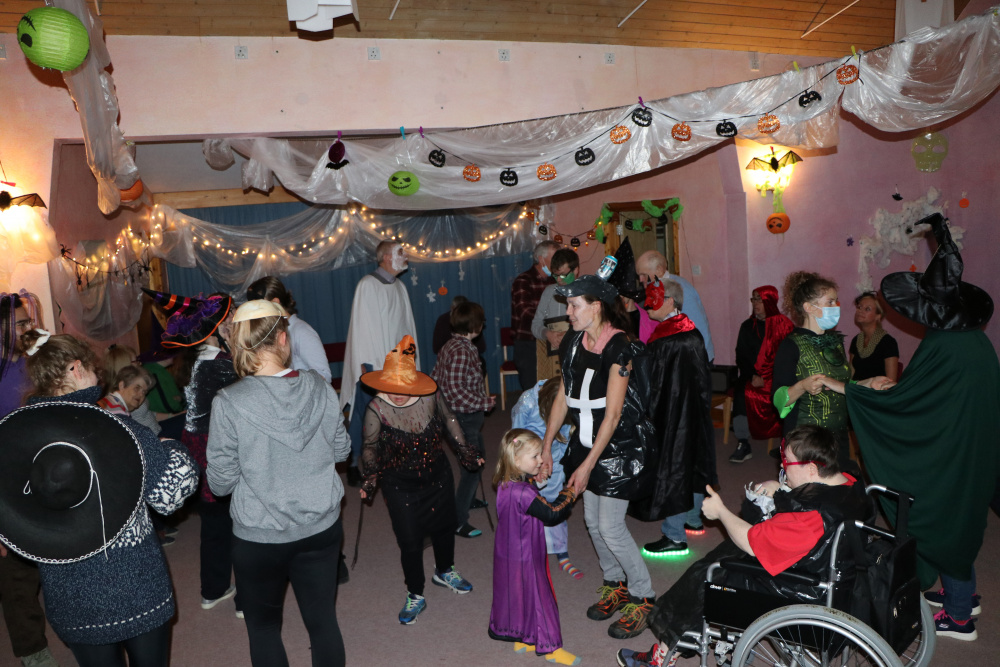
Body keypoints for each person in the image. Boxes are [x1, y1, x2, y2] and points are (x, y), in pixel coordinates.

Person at [828, 213, 999, 641]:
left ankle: (959, 616)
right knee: (959, 518)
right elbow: (934, 396)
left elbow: (912, 405)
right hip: (971, 449)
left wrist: (862, 396)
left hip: (950, 456)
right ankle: (962, 595)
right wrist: (898, 389)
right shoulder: (974, 340)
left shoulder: (946, 345)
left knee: (942, 520)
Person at [10, 329, 198, 667]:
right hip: (136, 587)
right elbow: (170, 495)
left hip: (71, 597)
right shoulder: (121, 430)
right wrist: (171, 447)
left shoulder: (16, 442)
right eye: (94, 367)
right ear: (76, 368)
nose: (100, 375)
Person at [617, 424, 873, 667]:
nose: (781, 466)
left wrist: (721, 512)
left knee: (707, 573)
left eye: (787, 463)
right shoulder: (850, 481)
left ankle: (663, 655)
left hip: (800, 591)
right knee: (728, 551)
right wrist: (781, 487)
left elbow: (753, 543)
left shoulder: (810, 517)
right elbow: (811, 500)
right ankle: (733, 645)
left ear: (812, 469)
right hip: (833, 578)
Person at [206, 300, 350, 666]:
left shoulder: (228, 402)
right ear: (283, 339)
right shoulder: (321, 388)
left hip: (259, 537)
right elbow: (342, 451)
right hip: (320, 528)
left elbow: (220, 484)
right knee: (323, 622)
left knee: (264, 629)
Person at [542, 271, 657, 640]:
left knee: (610, 526)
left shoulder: (620, 347)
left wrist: (588, 465)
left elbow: (614, 414)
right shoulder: (573, 342)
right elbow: (563, 395)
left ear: (596, 307)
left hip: (619, 447)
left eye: (574, 306)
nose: (568, 313)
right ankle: (615, 583)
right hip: (586, 442)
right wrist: (547, 445)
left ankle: (644, 596)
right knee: (592, 522)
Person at [359, 335, 483, 625]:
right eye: (392, 387)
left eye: (403, 387)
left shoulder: (430, 397)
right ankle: (415, 592)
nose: (397, 394)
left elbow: (450, 419)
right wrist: (370, 477)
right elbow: (369, 446)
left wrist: (465, 452)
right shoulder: (377, 408)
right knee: (410, 539)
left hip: (437, 475)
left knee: (444, 527)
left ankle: (445, 570)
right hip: (399, 482)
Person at [146, 290, 242, 616]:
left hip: (198, 448)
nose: (232, 324)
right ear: (216, 330)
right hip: (221, 449)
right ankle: (246, 599)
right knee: (241, 525)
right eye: (228, 321)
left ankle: (213, 589)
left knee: (214, 526)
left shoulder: (196, 362)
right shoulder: (223, 364)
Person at [629, 278, 716, 557]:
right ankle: (693, 519)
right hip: (693, 411)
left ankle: (674, 536)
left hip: (673, 414)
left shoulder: (668, 338)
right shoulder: (690, 330)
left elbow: (653, 382)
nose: (646, 304)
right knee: (692, 460)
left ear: (669, 301)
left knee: (675, 466)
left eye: (653, 298)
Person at [0, 292, 59, 667]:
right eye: (20, 323)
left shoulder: (34, 358)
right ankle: (33, 652)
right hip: (8, 485)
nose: (29, 329)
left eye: (28, 321)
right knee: (17, 576)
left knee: (58, 556)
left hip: (46, 475)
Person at [489, 429, 580, 666]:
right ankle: (552, 648)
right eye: (535, 456)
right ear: (516, 460)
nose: (541, 460)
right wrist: (570, 493)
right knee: (542, 599)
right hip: (527, 556)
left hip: (507, 554)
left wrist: (534, 480)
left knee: (517, 596)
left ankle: (524, 638)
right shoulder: (524, 492)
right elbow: (551, 513)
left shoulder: (506, 484)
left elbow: (525, 499)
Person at [342, 241, 419, 485]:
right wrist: (367, 364)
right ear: (386, 257)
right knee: (365, 414)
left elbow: (406, 327)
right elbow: (363, 328)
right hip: (374, 364)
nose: (405, 257)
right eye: (400, 253)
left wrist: (409, 360)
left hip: (398, 365)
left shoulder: (400, 287)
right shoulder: (367, 285)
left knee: (395, 413)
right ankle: (353, 462)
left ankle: (393, 459)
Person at [771, 272, 854, 472]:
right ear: (809, 307)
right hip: (807, 439)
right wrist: (802, 386)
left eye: (836, 301)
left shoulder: (835, 343)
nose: (836, 307)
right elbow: (779, 399)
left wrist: (867, 384)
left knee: (841, 484)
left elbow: (843, 384)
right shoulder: (791, 345)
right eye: (830, 302)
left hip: (838, 435)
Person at [431, 301, 495, 539]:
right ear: (475, 326)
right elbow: (455, 392)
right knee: (472, 468)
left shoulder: (451, 345)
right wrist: (484, 402)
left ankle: (467, 499)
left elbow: (435, 377)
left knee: (477, 458)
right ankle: (458, 521)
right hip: (461, 419)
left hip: (461, 418)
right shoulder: (461, 351)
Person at [729, 286, 794, 463]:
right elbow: (741, 356)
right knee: (741, 392)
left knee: (789, 392)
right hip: (753, 376)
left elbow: (789, 357)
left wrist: (771, 377)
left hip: (777, 376)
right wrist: (753, 376)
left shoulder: (784, 325)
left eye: (759, 299)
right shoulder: (747, 326)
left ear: (769, 302)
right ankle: (743, 442)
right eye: (753, 299)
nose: (755, 303)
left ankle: (786, 443)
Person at [247, 276, 332, 383]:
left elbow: (324, 376)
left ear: (275, 303)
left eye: (260, 307)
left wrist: (295, 388)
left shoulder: (301, 331)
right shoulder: (269, 333)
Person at [635, 251, 714, 362]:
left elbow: (697, 330)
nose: (640, 279)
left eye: (644, 274)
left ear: (659, 270)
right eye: (638, 275)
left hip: (695, 358)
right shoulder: (654, 290)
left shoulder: (681, 290)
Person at [511, 240, 559, 389]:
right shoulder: (523, 280)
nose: (558, 262)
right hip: (529, 344)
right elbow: (525, 312)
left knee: (553, 389)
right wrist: (551, 325)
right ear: (541, 259)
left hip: (552, 341)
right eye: (555, 258)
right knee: (532, 390)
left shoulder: (556, 281)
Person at [531, 248, 579, 381]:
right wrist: (547, 333)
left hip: (578, 359)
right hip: (553, 361)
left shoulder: (586, 293)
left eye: (563, 275)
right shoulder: (549, 292)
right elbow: (535, 325)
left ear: (575, 270)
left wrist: (569, 336)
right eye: (555, 275)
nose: (559, 280)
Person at [103, 344, 161, 435]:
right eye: (135, 361)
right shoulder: (119, 406)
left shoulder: (118, 398)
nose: (140, 364)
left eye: (144, 392)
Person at [848, 291, 899, 382]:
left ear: (878, 316)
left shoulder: (888, 342)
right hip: (856, 389)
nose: (860, 311)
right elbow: (851, 373)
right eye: (859, 307)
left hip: (876, 390)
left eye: (867, 309)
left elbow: (891, 381)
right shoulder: (856, 340)